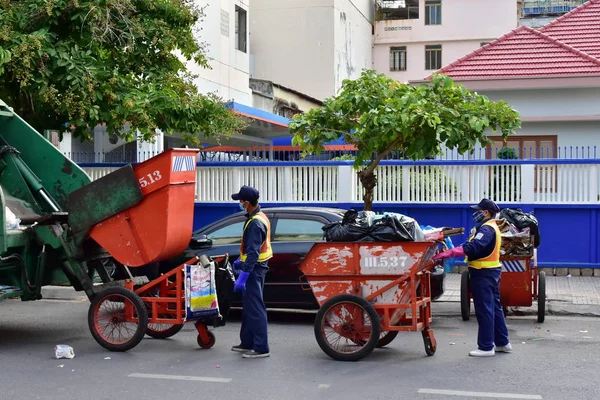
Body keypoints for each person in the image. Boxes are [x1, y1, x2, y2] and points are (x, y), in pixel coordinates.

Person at [433, 198, 512, 357]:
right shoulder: (489, 227)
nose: (475, 213)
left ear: (486, 213)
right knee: (495, 308)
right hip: (491, 272)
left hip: (484, 273)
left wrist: (450, 252)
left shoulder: (486, 229)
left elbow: (473, 247)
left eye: (478, 211)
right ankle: (503, 343)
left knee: (485, 310)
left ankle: (486, 347)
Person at [230, 185, 272, 359]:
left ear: (247, 203)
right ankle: (247, 342)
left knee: (255, 308)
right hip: (256, 267)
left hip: (254, 270)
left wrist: (243, 275)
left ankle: (261, 347)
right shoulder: (258, 216)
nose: (239, 203)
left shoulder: (255, 222)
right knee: (249, 307)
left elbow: (254, 252)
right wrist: (241, 260)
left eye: (240, 201)